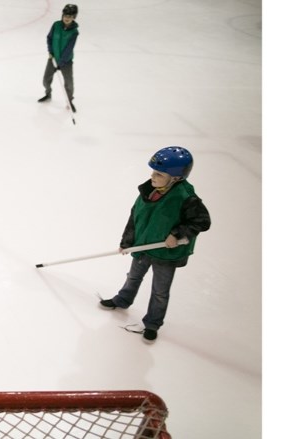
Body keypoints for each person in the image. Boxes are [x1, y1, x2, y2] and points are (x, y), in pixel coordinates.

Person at [99, 146, 211, 343]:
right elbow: (135, 216)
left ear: (176, 178)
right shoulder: (148, 191)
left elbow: (202, 222)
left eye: (159, 174)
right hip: (143, 246)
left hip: (166, 255)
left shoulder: (186, 198)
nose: (153, 177)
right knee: (133, 277)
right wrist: (127, 240)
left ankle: (152, 323)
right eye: (153, 172)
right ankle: (123, 300)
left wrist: (177, 234)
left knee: (160, 291)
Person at [37, 4, 79, 112]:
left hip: (66, 62)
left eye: (70, 16)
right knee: (46, 80)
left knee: (69, 84)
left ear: (74, 17)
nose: (67, 18)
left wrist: (61, 62)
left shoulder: (74, 32)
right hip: (53, 58)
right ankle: (48, 94)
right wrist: (51, 52)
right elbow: (49, 38)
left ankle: (69, 101)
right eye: (65, 15)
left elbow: (69, 49)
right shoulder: (56, 25)